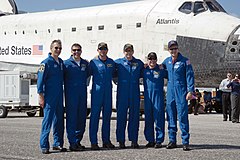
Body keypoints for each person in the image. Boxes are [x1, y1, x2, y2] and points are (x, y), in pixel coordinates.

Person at [162, 40, 194, 151]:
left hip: (181, 91)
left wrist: (190, 91)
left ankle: (185, 142)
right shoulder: (167, 61)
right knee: (170, 116)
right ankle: (172, 141)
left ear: (178, 49)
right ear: (169, 50)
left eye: (175, 48)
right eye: (171, 49)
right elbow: (159, 69)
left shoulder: (185, 61)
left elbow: (190, 76)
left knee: (182, 116)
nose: (173, 51)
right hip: (170, 91)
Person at [37, 40, 66, 154]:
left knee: (59, 120)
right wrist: (41, 96)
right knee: (47, 121)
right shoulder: (46, 63)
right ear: (51, 49)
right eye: (56, 48)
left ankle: (57, 144)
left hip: (59, 96)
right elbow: (40, 80)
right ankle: (44, 145)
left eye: (60, 48)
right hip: (49, 96)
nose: (58, 50)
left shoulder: (61, 63)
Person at [115, 43, 144, 149]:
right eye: (126, 51)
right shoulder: (118, 63)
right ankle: (121, 141)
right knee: (121, 117)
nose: (128, 53)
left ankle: (134, 140)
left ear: (133, 51)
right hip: (122, 94)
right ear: (124, 52)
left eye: (130, 51)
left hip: (134, 94)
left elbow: (146, 69)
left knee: (134, 117)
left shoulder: (139, 63)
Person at [89, 42, 116, 150]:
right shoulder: (93, 63)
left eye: (104, 49)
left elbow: (116, 73)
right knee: (94, 117)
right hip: (97, 93)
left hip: (108, 93)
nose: (103, 51)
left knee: (107, 117)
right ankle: (94, 142)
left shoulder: (111, 63)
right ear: (98, 50)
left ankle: (106, 141)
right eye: (101, 49)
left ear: (107, 50)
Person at [64, 43, 89, 151]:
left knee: (81, 119)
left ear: (81, 51)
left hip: (82, 95)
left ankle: (78, 141)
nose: (76, 52)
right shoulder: (66, 64)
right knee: (72, 119)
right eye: (74, 50)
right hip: (71, 95)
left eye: (78, 50)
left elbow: (88, 74)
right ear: (71, 51)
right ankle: (72, 143)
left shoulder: (85, 64)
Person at [143, 52, 167, 148]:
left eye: (153, 59)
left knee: (159, 118)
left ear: (156, 60)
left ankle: (159, 140)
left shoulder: (161, 70)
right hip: (148, 98)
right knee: (148, 119)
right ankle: (150, 140)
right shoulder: (144, 70)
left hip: (158, 97)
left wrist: (163, 66)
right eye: (150, 59)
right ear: (147, 60)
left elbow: (172, 74)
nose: (152, 61)